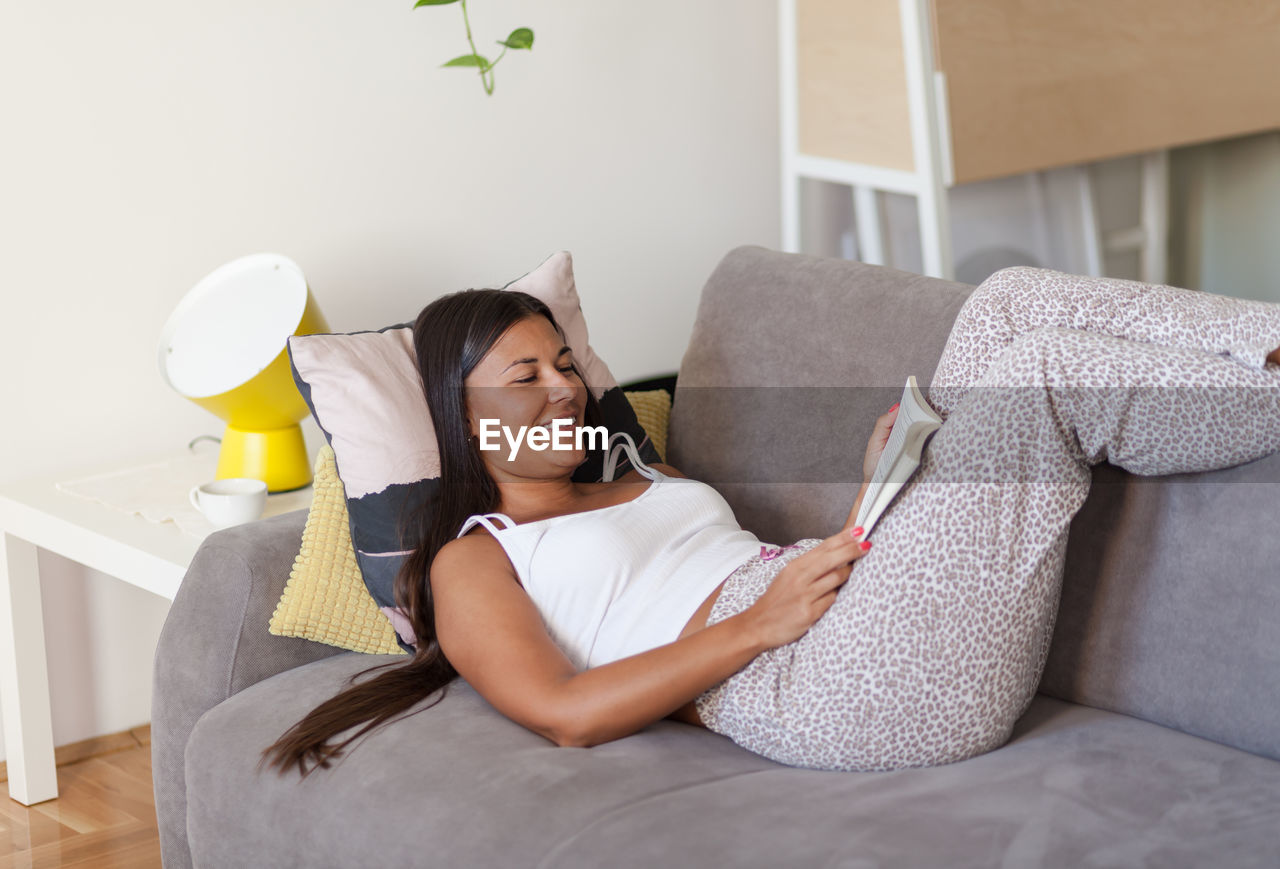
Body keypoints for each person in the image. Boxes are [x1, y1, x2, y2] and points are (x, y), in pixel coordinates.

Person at [261, 268, 1280, 778]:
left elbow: (743, 563)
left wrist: (886, 483)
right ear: (460, 410)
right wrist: (758, 623)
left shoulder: (633, 470)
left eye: (565, 366)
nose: (563, 391)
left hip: (839, 605)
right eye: (523, 376)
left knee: (1009, 305)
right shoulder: (472, 560)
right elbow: (562, 708)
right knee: (1039, 372)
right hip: (807, 684)